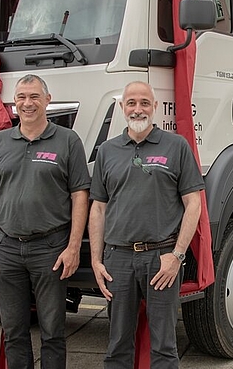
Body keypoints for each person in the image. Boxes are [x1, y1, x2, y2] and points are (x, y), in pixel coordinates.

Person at [0, 74, 91, 369]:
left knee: (53, 331)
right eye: (21, 98)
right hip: (7, 249)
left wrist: (73, 246)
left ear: (47, 100)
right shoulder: (1, 141)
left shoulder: (67, 140)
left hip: (51, 249)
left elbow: (80, 195)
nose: (27, 103)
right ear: (14, 103)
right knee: (13, 330)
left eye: (34, 97)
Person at [89, 81, 204, 368]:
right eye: (131, 103)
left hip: (161, 259)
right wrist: (96, 259)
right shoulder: (107, 151)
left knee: (164, 346)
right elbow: (98, 209)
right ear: (122, 107)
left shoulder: (176, 146)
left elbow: (194, 205)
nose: (137, 109)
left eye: (143, 103)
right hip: (118, 260)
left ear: (154, 107)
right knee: (117, 345)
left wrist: (177, 256)